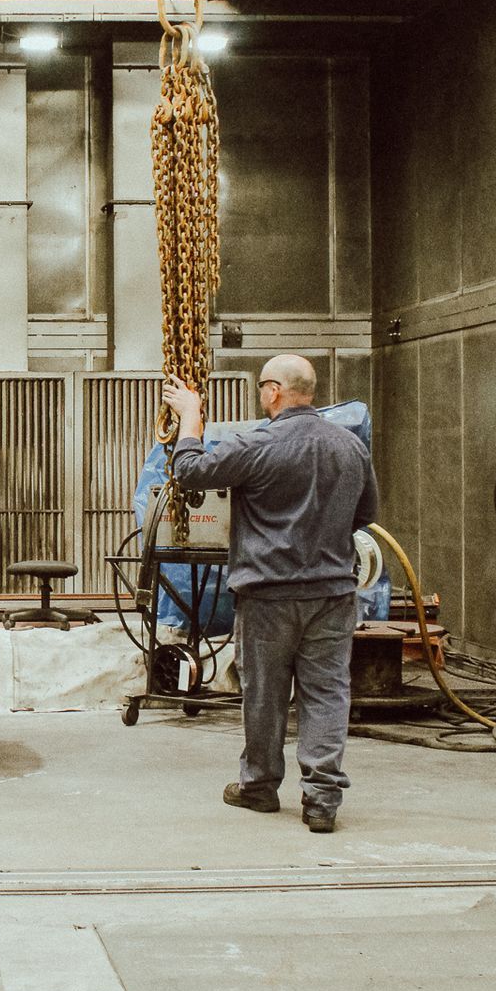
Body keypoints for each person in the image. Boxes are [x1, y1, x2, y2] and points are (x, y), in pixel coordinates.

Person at [160, 355, 378, 833]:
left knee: (264, 694)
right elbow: (365, 515)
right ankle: (322, 800)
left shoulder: (257, 444)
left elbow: (191, 471)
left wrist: (191, 416)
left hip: (268, 596)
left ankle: (259, 787)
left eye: (262, 389)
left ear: (275, 390)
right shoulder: (350, 447)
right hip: (332, 594)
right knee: (327, 694)